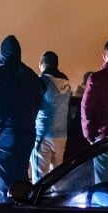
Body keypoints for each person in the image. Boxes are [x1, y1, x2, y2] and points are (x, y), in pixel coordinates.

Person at [0, 35, 43, 202]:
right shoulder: (31, 75)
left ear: (1, 53)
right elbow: (38, 102)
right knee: (21, 182)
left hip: (5, 135)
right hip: (27, 133)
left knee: (4, 186)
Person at [31, 51, 71, 180]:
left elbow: (33, 105)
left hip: (44, 134)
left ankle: (39, 200)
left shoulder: (42, 82)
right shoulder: (66, 83)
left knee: (40, 177)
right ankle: (56, 199)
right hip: (61, 136)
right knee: (57, 177)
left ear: (42, 64)